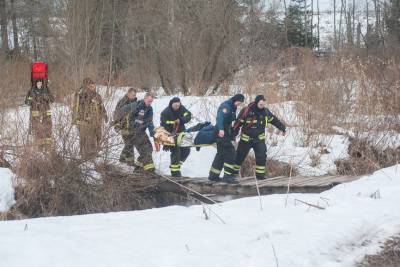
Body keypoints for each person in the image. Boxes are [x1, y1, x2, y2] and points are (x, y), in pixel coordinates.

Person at [233, 95, 286, 180]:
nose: (262, 106)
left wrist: (282, 128)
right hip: (246, 140)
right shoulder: (246, 111)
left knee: (261, 157)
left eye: (263, 104)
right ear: (256, 102)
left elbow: (274, 120)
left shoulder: (266, 112)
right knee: (239, 157)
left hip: (259, 140)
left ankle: (260, 176)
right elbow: (237, 124)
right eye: (260, 104)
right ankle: (233, 174)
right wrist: (233, 134)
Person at [208, 94, 245, 183]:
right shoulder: (226, 106)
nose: (239, 104)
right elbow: (220, 118)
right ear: (235, 100)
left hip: (225, 132)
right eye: (239, 102)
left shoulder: (232, 106)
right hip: (221, 133)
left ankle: (213, 175)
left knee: (221, 154)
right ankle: (228, 176)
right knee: (231, 153)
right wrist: (221, 129)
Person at [120, 93, 156, 173]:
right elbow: (121, 112)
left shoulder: (150, 109)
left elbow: (150, 122)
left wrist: (152, 132)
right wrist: (121, 126)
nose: (150, 103)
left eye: (151, 102)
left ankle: (138, 168)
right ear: (145, 98)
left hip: (141, 131)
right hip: (132, 132)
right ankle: (149, 169)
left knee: (149, 149)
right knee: (144, 151)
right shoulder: (135, 106)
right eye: (149, 101)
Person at [72, 78, 108, 157]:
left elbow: (101, 106)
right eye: (90, 86)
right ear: (86, 86)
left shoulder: (97, 95)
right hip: (84, 121)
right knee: (85, 138)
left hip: (97, 121)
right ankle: (85, 155)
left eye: (93, 86)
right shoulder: (81, 95)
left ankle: (94, 152)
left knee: (98, 136)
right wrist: (76, 119)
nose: (93, 87)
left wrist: (105, 115)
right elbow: (76, 107)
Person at [160, 97, 192, 177]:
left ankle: (177, 166)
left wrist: (181, 120)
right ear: (171, 104)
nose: (177, 107)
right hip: (170, 134)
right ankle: (175, 172)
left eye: (178, 105)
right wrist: (167, 140)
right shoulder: (165, 112)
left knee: (186, 150)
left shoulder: (181, 108)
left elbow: (188, 115)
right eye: (175, 106)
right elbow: (164, 127)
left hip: (181, 133)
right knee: (176, 151)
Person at [25, 78, 54, 147]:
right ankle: (39, 146)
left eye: (40, 83)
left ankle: (48, 145)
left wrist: (46, 97)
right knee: (37, 128)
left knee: (47, 128)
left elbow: (52, 100)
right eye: (38, 84)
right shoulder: (31, 91)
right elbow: (26, 102)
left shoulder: (46, 90)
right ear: (35, 84)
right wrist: (31, 100)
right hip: (36, 114)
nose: (39, 85)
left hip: (46, 113)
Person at [113, 88, 138, 165]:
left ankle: (122, 159)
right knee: (129, 144)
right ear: (128, 93)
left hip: (132, 127)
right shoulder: (122, 102)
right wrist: (117, 125)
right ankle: (130, 162)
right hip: (124, 127)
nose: (134, 96)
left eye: (135, 95)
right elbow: (117, 114)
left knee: (130, 143)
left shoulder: (136, 102)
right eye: (132, 95)